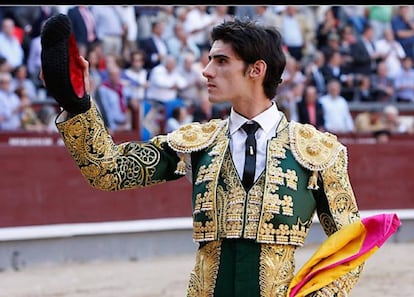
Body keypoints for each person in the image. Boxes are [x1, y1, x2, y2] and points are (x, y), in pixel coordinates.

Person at [41, 14, 382, 297]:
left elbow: (351, 243)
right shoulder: (197, 143)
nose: (206, 71)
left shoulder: (317, 151)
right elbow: (110, 170)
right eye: (209, 60)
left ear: (256, 69)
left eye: (221, 61)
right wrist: (77, 105)